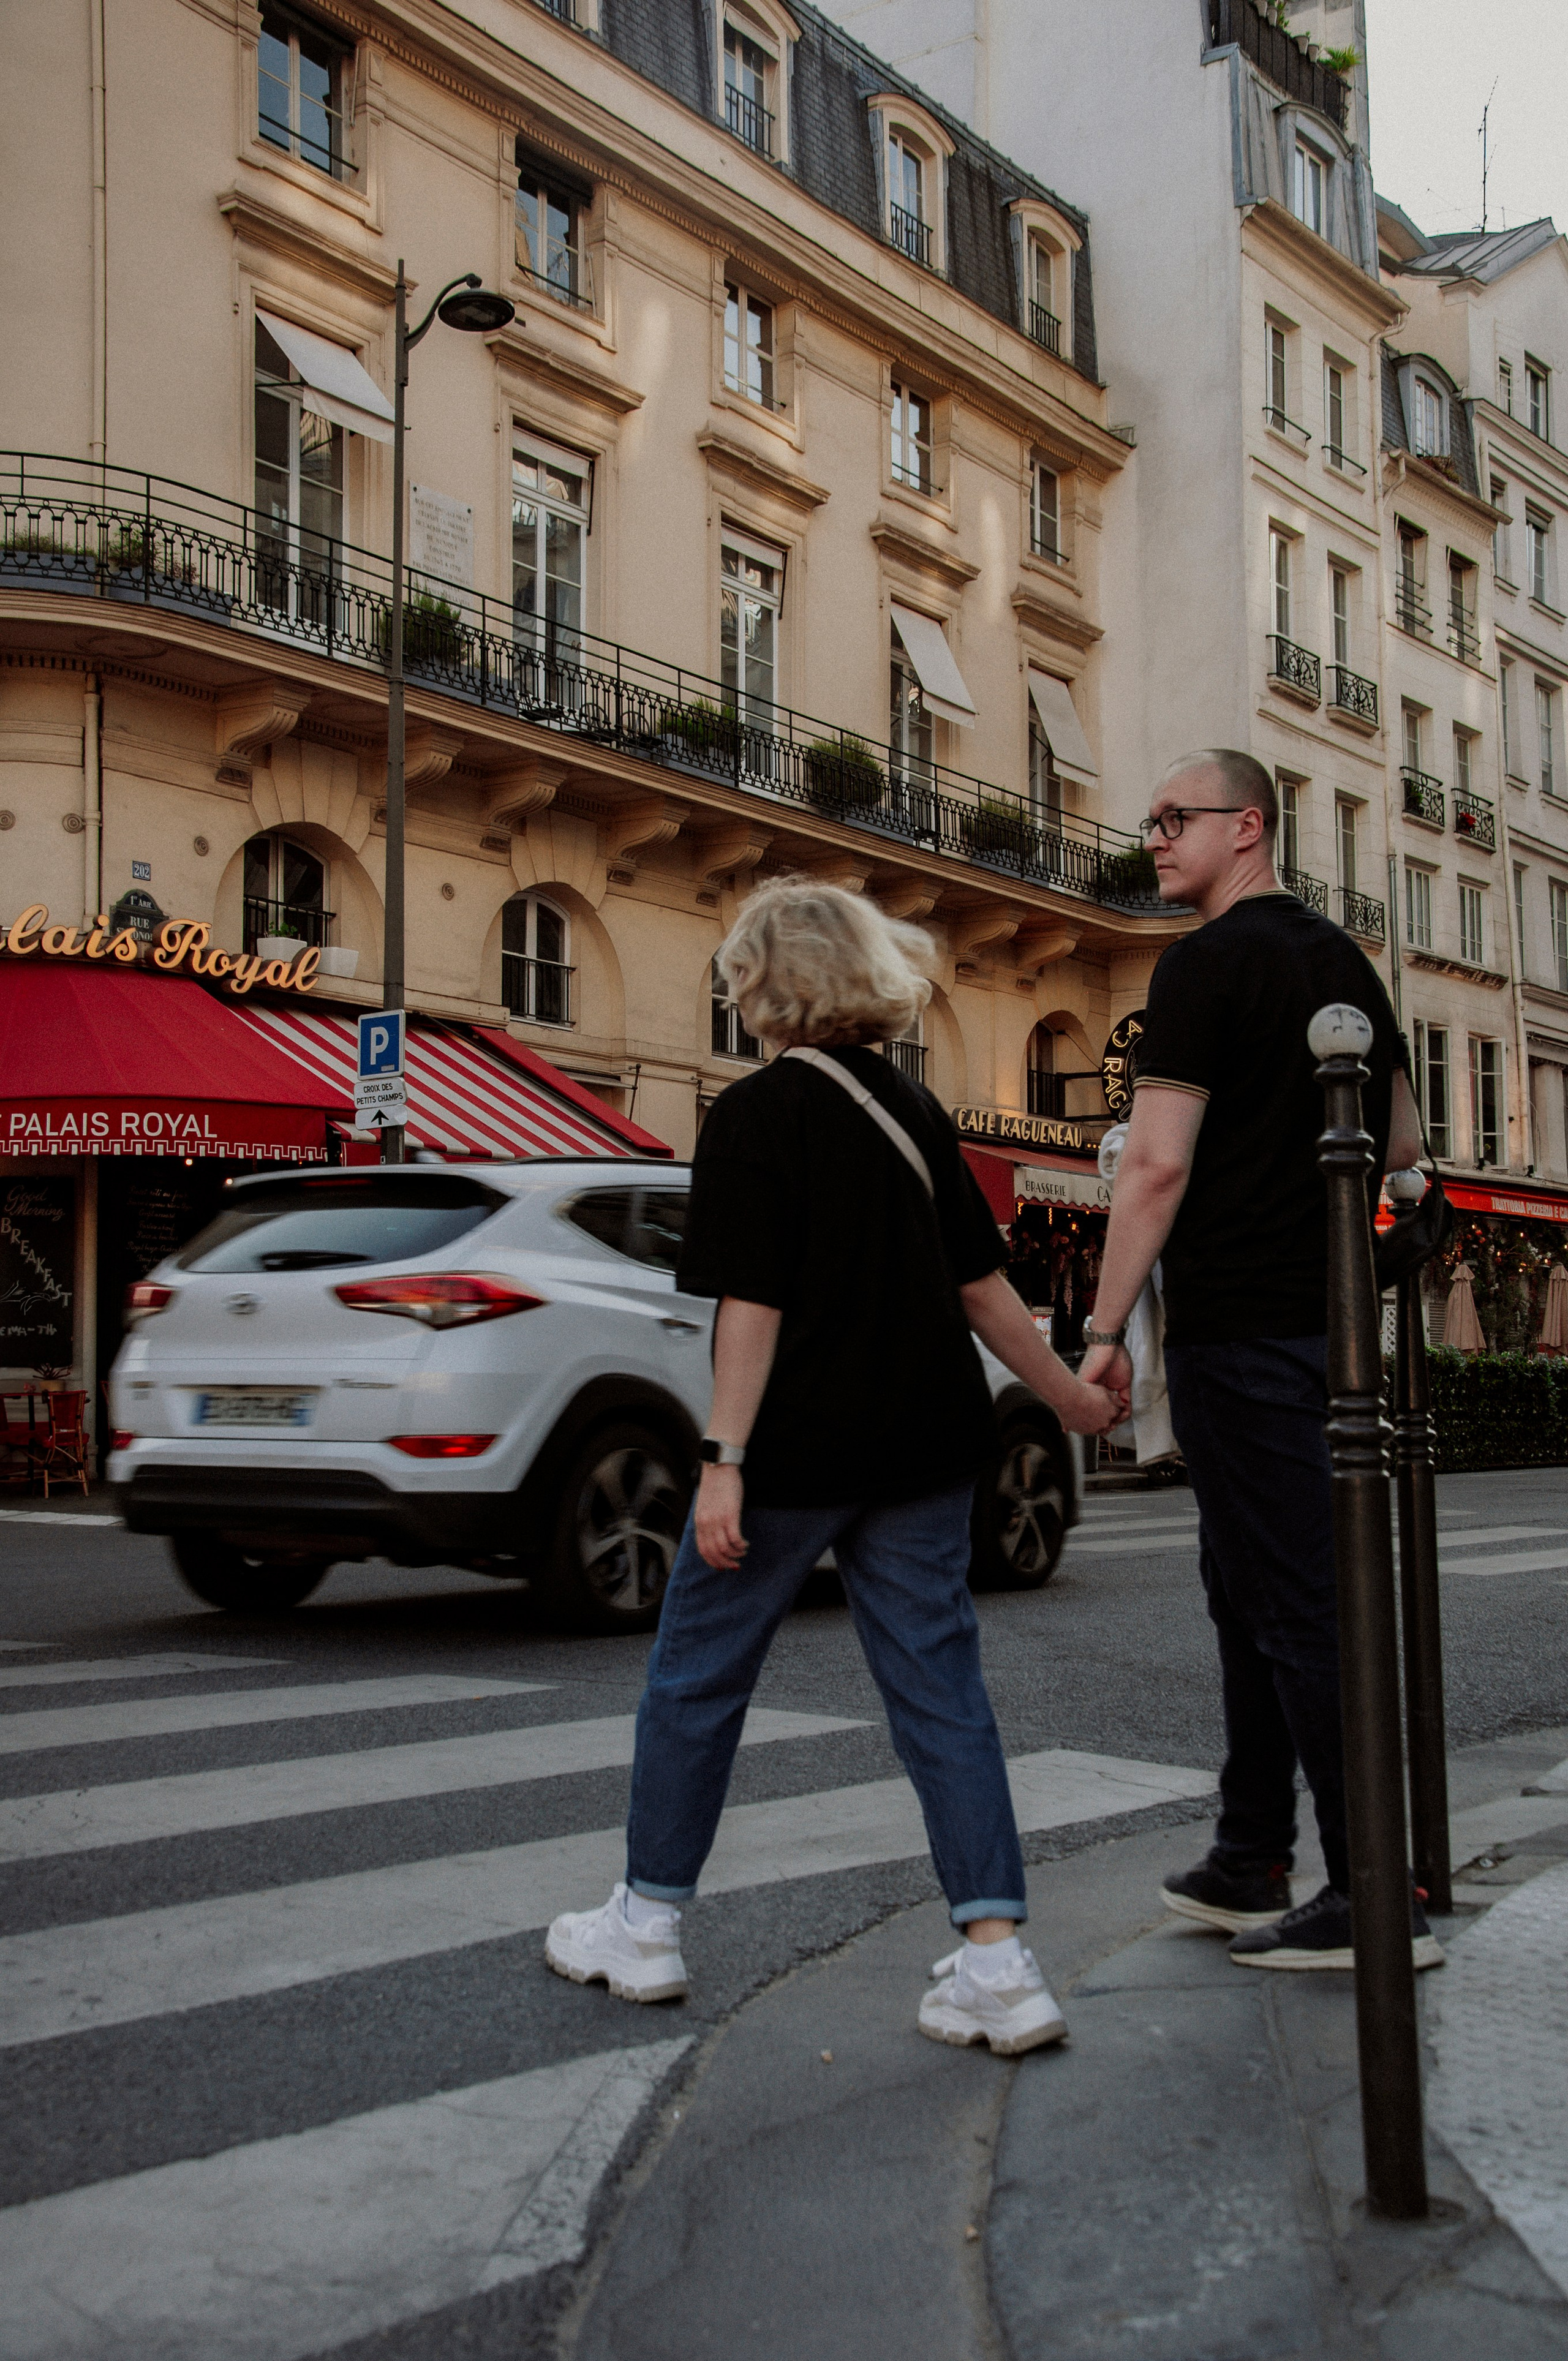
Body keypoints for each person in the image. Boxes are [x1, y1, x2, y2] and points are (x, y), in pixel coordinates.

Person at [546, 877, 1125, 2050]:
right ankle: (999, 1966)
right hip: (923, 1446)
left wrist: (722, 1459)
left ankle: (647, 1925)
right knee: (941, 1695)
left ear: (764, 984)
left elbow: (750, 1305)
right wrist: (1065, 1395)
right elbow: (981, 1287)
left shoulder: (756, 1116)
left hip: (798, 1451)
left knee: (698, 1679)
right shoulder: (914, 1108)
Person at [1078, 750, 1442, 1971]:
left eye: (1171, 818)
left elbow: (1154, 1166)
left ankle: (1369, 1891)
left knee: (1288, 1596)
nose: (1151, 838)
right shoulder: (1340, 960)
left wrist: (1099, 1326)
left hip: (1238, 1322)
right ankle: (1249, 1847)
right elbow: (1397, 1136)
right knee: (1246, 1580)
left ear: (1246, 825)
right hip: (1327, 1315)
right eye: (1149, 818)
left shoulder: (1200, 966)